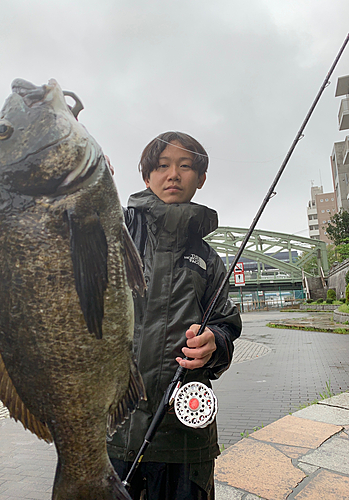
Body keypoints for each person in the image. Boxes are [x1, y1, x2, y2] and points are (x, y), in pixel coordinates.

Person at [107, 131, 242, 500]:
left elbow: (227, 325)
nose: (173, 175)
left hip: (185, 438)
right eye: (162, 165)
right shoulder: (116, 232)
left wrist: (215, 343)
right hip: (111, 432)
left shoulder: (211, 261)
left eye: (185, 167)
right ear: (146, 176)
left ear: (200, 179)